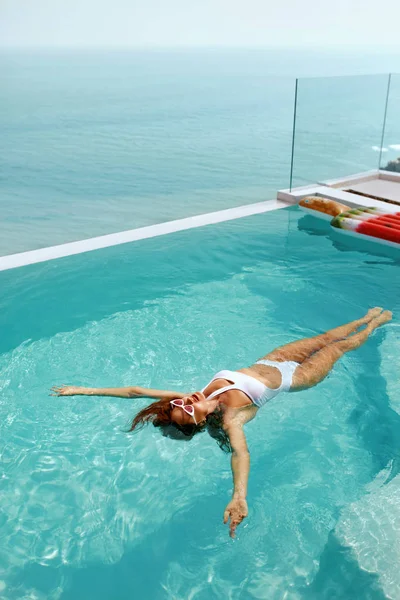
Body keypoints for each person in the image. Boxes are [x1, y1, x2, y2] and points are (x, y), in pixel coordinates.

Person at [52, 308, 392, 538]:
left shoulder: (194, 394)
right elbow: (240, 455)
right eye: (184, 411)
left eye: (177, 403)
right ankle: (375, 325)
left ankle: (365, 315)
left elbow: (135, 391)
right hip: (299, 377)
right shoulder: (231, 419)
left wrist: (84, 390)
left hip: (271, 359)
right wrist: (239, 496)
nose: (184, 402)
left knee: (324, 337)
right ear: (197, 423)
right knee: (343, 345)